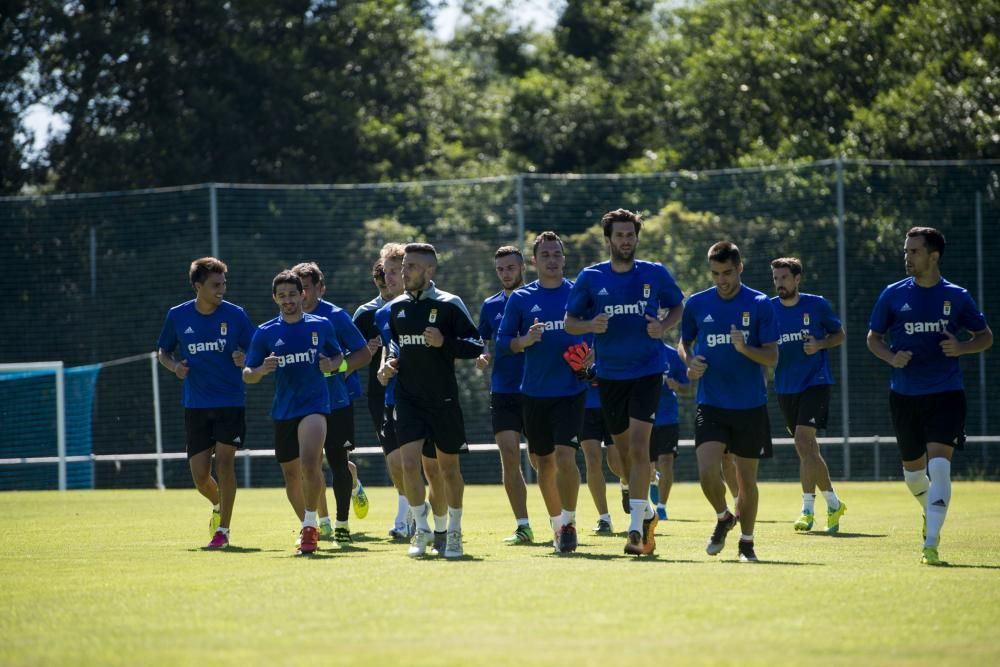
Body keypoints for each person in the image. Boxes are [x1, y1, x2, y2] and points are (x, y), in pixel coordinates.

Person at [866, 227, 992, 566]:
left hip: (946, 393)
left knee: (939, 468)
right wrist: (891, 357)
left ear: (933, 256)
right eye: (906, 251)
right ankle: (930, 510)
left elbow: (985, 337)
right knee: (912, 475)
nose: (907, 257)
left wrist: (962, 347)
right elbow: (873, 338)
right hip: (904, 395)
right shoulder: (892, 295)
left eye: (914, 251)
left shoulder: (957, 296)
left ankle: (931, 543)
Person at [565, 208, 685, 556]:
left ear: (636, 237)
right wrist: (591, 326)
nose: (625, 241)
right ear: (608, 240)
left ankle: (634, 531)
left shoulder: (654, 273)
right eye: (619, 235)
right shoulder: (590, 277)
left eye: (630, 235)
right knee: (619, 456)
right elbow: (571, 321)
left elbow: (678, 306)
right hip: (608, 377)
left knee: (637, 448)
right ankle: (646, 513)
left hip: (648, 372)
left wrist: (663, 327)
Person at [378, 243, 484, 558]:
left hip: (443, 400)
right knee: (409, 464)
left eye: (410, 266)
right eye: (402, 265)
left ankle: (453, 532)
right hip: (407, 399)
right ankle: (422, 531)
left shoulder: (450, 304)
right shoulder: (395, 308)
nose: (402, 271)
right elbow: (394, 345)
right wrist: (388, 364)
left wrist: (444, 342)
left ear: (429, 271)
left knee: (448, 470)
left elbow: (475, 344)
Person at [679, 241, 778, 562]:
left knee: (745, 480)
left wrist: (744, 348)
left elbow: (772, 356)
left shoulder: (760, 304)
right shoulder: (696, 304)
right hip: (711, 403)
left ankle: (747, 544)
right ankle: (724, 516)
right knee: (707, 471)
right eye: (716, 273)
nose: (721, 279)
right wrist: (690, 362)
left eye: (727, 273)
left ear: (740, 269)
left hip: (750, 405)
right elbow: (685, 343)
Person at [497, 232, 589, 552]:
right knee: (543, 463)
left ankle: (569, 523)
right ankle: (557, 523)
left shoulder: (580, 293)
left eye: (557, 254)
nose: (552, 259)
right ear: (534, 262)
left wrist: (590, 360)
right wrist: (524, 341)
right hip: (534, 393)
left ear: (564, 259)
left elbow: (600, 333)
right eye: (545, 254)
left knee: (566, 456)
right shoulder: (521, 299)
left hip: (572, 390)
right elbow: (502, 343)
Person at [243, 270, 343, 555]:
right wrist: (261, 370)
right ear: (275, 298)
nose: (288, 300)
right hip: (284, 410)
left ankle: (311, 529)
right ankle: (306, 524)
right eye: (282, 295)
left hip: (315, 406)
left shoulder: (321, 325)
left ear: (304, 295)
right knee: (291, 476)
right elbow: (247, 374)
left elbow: (338, 356)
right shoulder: (265, 332)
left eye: (293, 294)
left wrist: (332, 365)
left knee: (310, 464)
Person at [157, 257, 254, 549]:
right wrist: (174, 366)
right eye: (215, 284)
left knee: (225, 463)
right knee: (200, 477)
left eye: (224, 283)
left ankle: (223, 530)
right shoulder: (178, 316)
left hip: (230, 402)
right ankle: (218, 504)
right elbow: (163, 350)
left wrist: (244, 358)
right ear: (198, 286)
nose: (221, 289)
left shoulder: (236, 315)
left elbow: (256, 349)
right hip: (196, 405)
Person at [292, 262, 373, 544]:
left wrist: (336, 368)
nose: (299, 295)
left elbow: (363, 354)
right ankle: (320, 523)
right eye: (296, 288)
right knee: (309, 465)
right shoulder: (287, 319)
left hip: (336, 400)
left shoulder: (336, 316)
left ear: (320, 288)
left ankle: (341, 524)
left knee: (338, 462)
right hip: (301, 404)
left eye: (306, 288)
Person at [477, 246, 552, 545]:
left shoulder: (537, 297)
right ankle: (523, 526)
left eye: (511, 267)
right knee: (509, 455)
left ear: (523, 268)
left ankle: (558, 519)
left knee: (541, 460)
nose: (506, 273)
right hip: (504, 390)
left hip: (538, 389)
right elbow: (481, 338)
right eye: (501, 269)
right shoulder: (490, 305)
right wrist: (481, 354)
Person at [770, 256, 847, 533]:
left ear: (797, 278)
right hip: (784, 387)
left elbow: (839, 335)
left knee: (803, 441)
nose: (780, 283)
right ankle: (834, 502)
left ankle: (806, 509)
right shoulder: (767, 309)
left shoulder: (816, 304)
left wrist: (821, 344)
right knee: (808, 449)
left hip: (816, 382)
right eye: (776, 278)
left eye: (784, 278)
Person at [354, 248, 413, 538]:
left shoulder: (426, 306)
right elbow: (350, 354)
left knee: (415, 460)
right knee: (394, 460)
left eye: (395, 272)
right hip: (381, 393)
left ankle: (414, 517)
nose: (389, 278)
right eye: (386, 272)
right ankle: (410, 511)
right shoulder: (368, 314)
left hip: (419, 392)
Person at [650, 342, 693, 521]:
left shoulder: (673, 355)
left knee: (666, 461)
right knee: (646, 466)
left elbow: (687, 387)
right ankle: (653, 479)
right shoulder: (640, 351)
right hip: (645, 418)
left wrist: (676, 385)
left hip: (668, 418)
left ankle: (661, 507)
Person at [580, 381, 623, 534]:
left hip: (612, 403)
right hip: (584, 406)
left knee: (617, 462)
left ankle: (626, 483)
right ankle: (604, 518)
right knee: (592, 460)